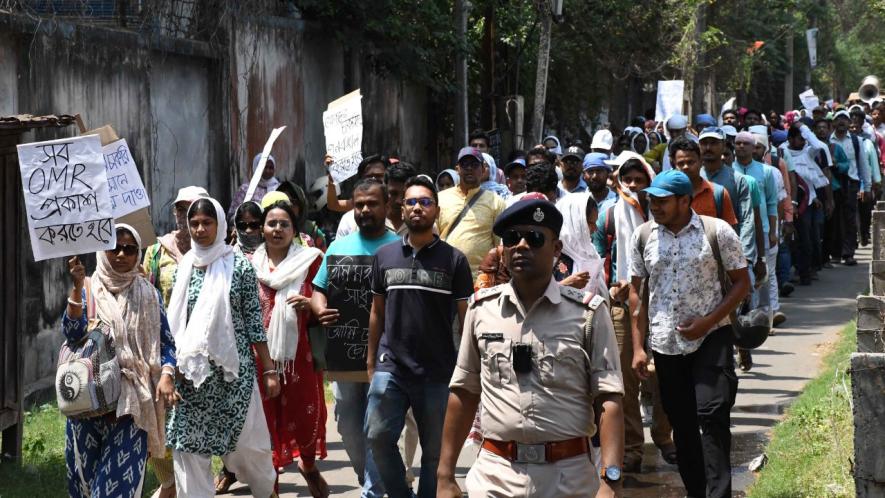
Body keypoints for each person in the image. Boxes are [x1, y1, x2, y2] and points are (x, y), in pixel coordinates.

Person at [437, 199, 625, 498]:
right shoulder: (481, 309)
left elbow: (609, 397)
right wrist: (444, 475)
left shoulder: (588, 313)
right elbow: (464, 391)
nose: (521, 246)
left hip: (568, 478)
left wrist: (611, 478)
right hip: (495, 476)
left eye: (535, 238)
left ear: (557, 249)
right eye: (512, 239)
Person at [629, 170, 750, 498]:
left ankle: (719, 493)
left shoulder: (717, 231)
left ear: (685, 200)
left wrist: (708, 321)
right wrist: (638, 348)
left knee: (712, 413)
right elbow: (638, 294)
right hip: (666, 344)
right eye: (651, 200)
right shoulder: (643, 236)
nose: (654, 206)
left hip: (712, 337)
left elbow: (742, 282)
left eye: (663, 200)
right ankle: (697, 492)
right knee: (682, 426)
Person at [365, 176, 473, 498]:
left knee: (435, 453)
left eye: (425, 202)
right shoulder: (384, 257)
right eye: (411, 202)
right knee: (377, 436)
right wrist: (371, 362)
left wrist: (468, 368)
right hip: (391, 367)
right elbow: (377, 312)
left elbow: (466, 318)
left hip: (438, 372)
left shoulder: (454, 261)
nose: (417, 208)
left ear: (436, 211)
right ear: (401, 209)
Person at [165, 197, 279, 498]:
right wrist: (168, 370)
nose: (200, 229)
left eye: (207, 222)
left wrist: (268, 369)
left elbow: (254, 322)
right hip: (191, 378)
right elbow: (174, 324)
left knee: (249, 447)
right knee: (187, 449)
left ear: (219, 224)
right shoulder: (185, 267)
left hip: (232, 377)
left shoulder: (239, 266)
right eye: (194, 224)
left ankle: (267, 491)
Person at [63, 225, 177, 498]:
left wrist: (165, 375)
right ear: (103, 251)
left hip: (133, 404)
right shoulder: (89, 289)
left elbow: (166, 343)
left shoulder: (149, 294)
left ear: (138, 254)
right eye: (115, 247)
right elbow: (72, 333)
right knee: (84, 486)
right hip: (87, 403)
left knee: (117, 489)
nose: (122, 254)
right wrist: (77, 290)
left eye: (130, 249)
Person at [310, 179, 400, 497]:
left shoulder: (401, 248)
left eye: (372, 203)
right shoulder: (337, 248)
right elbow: (318, 290)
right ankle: (372, 478)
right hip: (345, 356)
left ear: (387, 206)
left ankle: (373, 491)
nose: (364, 210)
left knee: (376, 425)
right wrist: (319, 309)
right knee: (348, 423)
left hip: (388, 356)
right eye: (359, 204)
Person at [593, 151, 675, 472]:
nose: (632, 186)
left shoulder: (662, 218)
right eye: (626, 179)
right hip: (619, 305)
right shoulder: (608, 216)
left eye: (639, 181)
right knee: (624, 378)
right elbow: (597, 256)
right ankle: (632, 447)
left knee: (664, 373)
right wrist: (613, 284)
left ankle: (664, 435)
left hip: (659, 303)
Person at [250, 199, 328, 497]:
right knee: (264, 424)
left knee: (305, 417)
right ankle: (271, 488)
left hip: (300, 358)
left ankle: (308, 466)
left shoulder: (311, 261)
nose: (277, 229)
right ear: (262, 229)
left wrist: (311, 305)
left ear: (295, 230)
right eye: (272, 223)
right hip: (258, 358)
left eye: (285, 224)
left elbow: (326, 300)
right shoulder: (247, 265)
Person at [699, 127, 763, 372]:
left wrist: (744, 256)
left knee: (729, 306)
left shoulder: (738, 181)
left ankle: (737, 346)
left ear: (724, 147)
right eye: (704, 143)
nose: (708, 148)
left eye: (713, 143)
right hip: (697, 257)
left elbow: (747, 219)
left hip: (728, 257)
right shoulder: (693, 180)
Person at [438, 147, 507, 277]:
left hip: (479, 281)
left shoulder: (496, 202)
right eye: (465, 165)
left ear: (483, 169)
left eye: (474, 165)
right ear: (457, 169)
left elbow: (500, 246)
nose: (469, 168)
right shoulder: (441, 198)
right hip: (445, 275)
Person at [143, 186, 210, 306]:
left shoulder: (217, 253)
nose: (185, 215)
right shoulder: (158, 249)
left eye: (192, 209)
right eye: (180, 209)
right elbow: (146, 295)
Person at [786, 122, 833, 285]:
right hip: (790, 202)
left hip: (810, 202)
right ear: (790, 139)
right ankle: (799, 271)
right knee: (795, 239)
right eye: (799, 139)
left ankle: (808, 270)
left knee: (810, 238)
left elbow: (818, 145)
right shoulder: (783, 152)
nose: (803, 142)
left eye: (804, 139)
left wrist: (804, 128)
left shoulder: (808, 153)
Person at [830, 109, 872, 265]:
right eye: (838, 118)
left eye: (845, 119)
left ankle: (848, 253)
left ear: (849, 123)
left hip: (851, 183)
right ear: (833, 123)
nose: (841, 121)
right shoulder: (829, 141)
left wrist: (867, 187)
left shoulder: (856, 141)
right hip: (832, 184)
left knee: (849, 218)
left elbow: (863, 165)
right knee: (834, 218)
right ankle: (835, 253)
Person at [338, 161, 416, 238]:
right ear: (384, 189)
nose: (398, 201)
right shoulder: (351, 221)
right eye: (393, 193)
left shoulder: (421, 222)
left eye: (404, 194)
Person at [670, 136, 738, 225]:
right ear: (674, 165)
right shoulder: (667, 194)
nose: (685, 167)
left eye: (690, 162)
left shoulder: (718, 193)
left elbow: (730, 230)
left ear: (701, 161)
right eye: (680, 163)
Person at [228, 153, 281, 220]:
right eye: (264, 167)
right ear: (256, 167)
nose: (267, 171)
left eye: (271, 168)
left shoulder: (279, 188)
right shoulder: (245, 189)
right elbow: (233, 215)